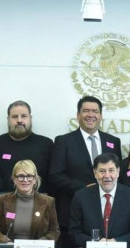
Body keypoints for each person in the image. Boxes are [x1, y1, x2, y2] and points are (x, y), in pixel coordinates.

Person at [50, 96, 123, 234]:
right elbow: (55, 176)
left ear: (101, 116)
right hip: (74, 211)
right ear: (78, 115)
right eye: (86, 111)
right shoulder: (63, 141)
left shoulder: (113, 141)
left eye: (95, 111)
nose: (91, 115)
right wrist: (84, 188)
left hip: (108, 213)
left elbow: (118, 174)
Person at [68, 153, 130, 248]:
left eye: (111, 170)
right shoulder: (81, 197)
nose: (107, 176)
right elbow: (74, 233)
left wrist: (115, 242)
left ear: (118, 171)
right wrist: (96, 243)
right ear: (95, 173)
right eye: (102, 171)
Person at [0, 101, 54, 193]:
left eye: (24, 116)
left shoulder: (46, 145)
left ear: (30, 118)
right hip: (1, 204)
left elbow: (53, 180)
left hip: (38, 204)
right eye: (14, 116)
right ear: (8, 119)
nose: (19, 120)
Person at [0, 159, 59, 244]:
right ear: (14, 179)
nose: (25, 180)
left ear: (35, 180)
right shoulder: (2, 200)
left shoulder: (48, 201)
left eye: (29, 176)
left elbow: (54, 232)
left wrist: (38, 244)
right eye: (21, 176)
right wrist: (6, 242)